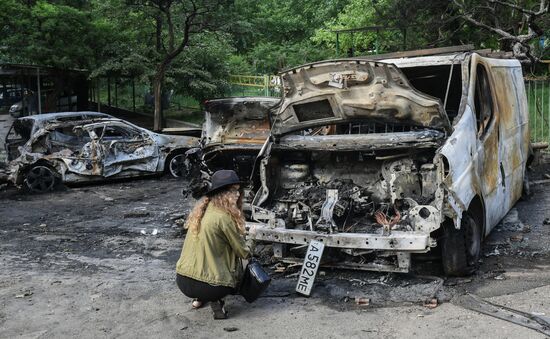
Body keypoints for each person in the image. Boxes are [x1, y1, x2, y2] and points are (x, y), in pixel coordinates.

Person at [176, 169, 250, 319]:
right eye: (233, 191)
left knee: (205, 254)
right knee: (241, 262)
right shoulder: (224, 218)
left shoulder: (200, 212)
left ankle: (198, 299)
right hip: (212, 287)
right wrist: (252, 242)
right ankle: (215, 301)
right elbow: (243, 252)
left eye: (238, 190)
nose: (238, 194)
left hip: (182, 280)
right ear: (222, 194)